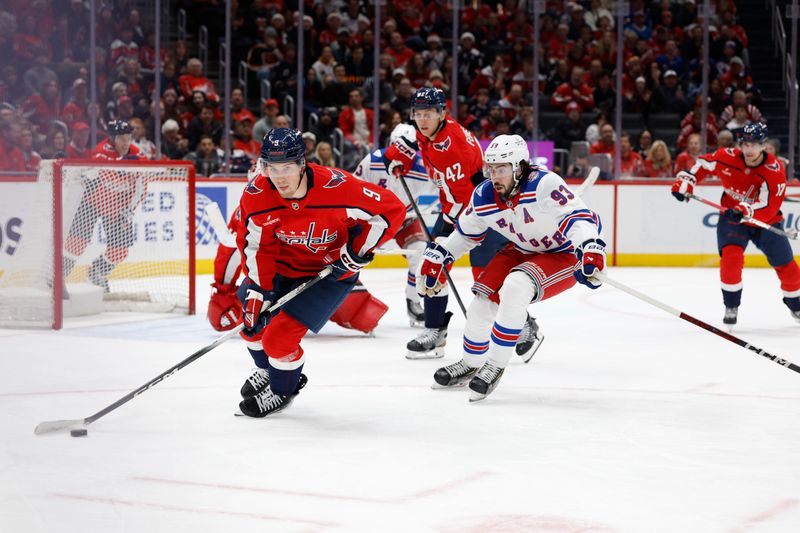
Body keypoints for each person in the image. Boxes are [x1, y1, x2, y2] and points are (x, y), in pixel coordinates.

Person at [234, 128, 406, 417]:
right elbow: (256, 246)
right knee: (250, 322)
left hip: (329, 273)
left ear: (302, 163)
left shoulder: (338, 187)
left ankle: (282, 390)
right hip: (282, 268)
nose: (279, 176)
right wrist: (258, 290)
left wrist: (357, 250)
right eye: (270, 167)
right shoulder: (257, 195)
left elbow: (392, 210)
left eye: (287, 167)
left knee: (278, 340)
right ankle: (269, 369)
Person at [424, 135, 604, 401]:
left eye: (502, 169)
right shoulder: (485, 195)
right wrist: (443, 256)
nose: (494, 175)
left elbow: (578, 218)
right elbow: (465, 235)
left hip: (563, 253)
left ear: (519, 167)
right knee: (482, 302)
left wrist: (590, 247)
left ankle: (494, 365)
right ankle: (471, 363)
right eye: (491, 168)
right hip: (523, 249)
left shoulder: (544, 184)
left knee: (516, 286)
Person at [382, 87, 540, 360]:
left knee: (487, 280)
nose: (422, 119)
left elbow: (475, 188)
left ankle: (526, 324)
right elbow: (407, 146)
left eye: (428, 113)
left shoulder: (454, 145)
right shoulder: (424, 133)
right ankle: (435, 333)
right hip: (454, 212)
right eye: (418, 114)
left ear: (442, 113)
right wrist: (399, 160)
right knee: (431, 268)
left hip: (482, 215)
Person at [671, 123, 800, 326]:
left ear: (763, 145)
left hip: (764, 220)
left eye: (754, 145)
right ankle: (731, 304)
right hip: (732, 217)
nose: (749, 150)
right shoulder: (728, 156)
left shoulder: (774, 170)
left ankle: (796, 305)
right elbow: (704, 164)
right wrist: (687, 181)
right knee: (731, 259)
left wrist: (746, 210)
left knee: (787, 266)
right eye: (745, 144)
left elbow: (770, 205)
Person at [353, 123, 438, 325]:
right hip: (373, 221)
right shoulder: (372, 161)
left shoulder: (422, 169)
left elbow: (442, 190)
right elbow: (355, 188)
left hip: (406, 220)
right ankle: (350, 303)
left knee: (420, 253)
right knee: (353, 259)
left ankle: (413, 301)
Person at [63, 120, 145, 293]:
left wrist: (129, 210)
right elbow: (93, 175)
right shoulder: (101, 152)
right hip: (92, 202)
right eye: (122, 138)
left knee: (119, 251)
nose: (126, 142)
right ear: (112, 139)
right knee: (75, 245)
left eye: (128, 137)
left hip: (118, 207)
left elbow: (141, 188)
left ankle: (97, 273)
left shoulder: (138, 156)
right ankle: (57, 278)